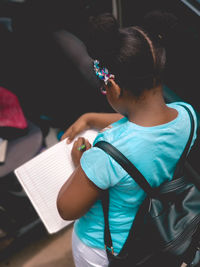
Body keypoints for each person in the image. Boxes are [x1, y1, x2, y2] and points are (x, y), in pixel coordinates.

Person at [56, 11, 198, 267]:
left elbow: (66, 209)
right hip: (153, 225)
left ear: (115, 88)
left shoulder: (107, 153)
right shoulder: (188, 115)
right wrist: (90, 118)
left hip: (106, 248)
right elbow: (145, 126)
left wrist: (81, 162)